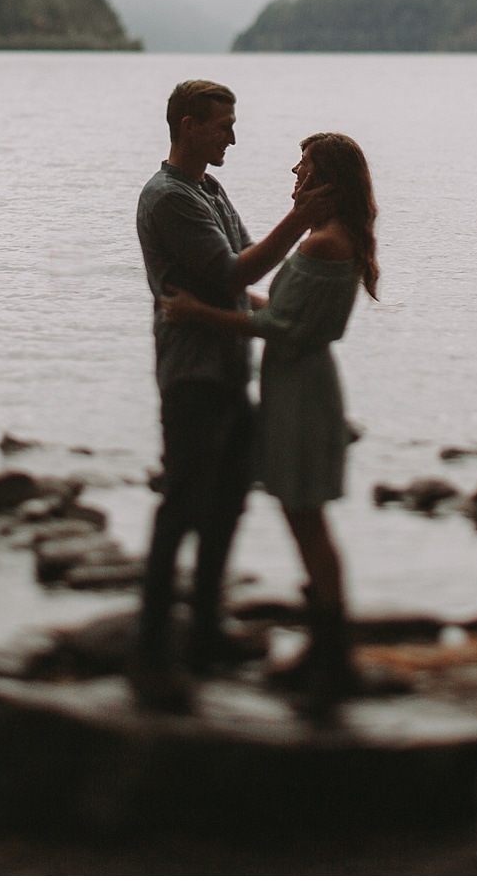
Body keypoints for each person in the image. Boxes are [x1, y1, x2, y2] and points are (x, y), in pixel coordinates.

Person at [161, 131, 378, 717]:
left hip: (300, 393)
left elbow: (282, 329)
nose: (295, 174)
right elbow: (287, 315)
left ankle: (332, 654)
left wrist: (196, 313)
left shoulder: (321, 246)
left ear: (327, 181)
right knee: (306, 518)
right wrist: (234, 302)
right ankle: (328, 647)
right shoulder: (339, 239)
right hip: (303, 384)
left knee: (307, 520)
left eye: (305, 167)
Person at [131, 80, 331, 713]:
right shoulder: (168, 198)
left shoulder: (208, 190)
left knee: (226, 505)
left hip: (229, 368)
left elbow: (241, 272)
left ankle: (206, 635)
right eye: (223, 126)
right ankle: (151, 653)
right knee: (182, 508)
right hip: (192, 374)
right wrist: (301, 219)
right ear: (189, 126)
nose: (233, 137)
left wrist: (295, 320)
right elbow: (232, 272)